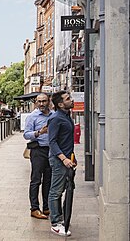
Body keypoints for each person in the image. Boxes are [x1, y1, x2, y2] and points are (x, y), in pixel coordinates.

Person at [48, 90, 75, 237]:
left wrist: (71, 157)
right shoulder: (56, 118)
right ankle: (56, 223)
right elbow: (52, 142)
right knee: (55, 191)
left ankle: (62, 218)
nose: (71, 100)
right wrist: (63, 158)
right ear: (60, 104)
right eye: (68, 98)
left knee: (64, 189)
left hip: (67, 160)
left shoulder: (67, 116)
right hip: (59, 161)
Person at [23, 93, 52, 219]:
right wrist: (39, 132)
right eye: (39, 101)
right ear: (36, 102)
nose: (41, 104)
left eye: (44, 101)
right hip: (38, 151)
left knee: (48, 180)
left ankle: (46, 207)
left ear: (48, 101)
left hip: (51, 151)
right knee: (36, 180)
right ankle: (34, 208)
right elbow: (26, 134)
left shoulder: (53, 115)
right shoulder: (32, 117)